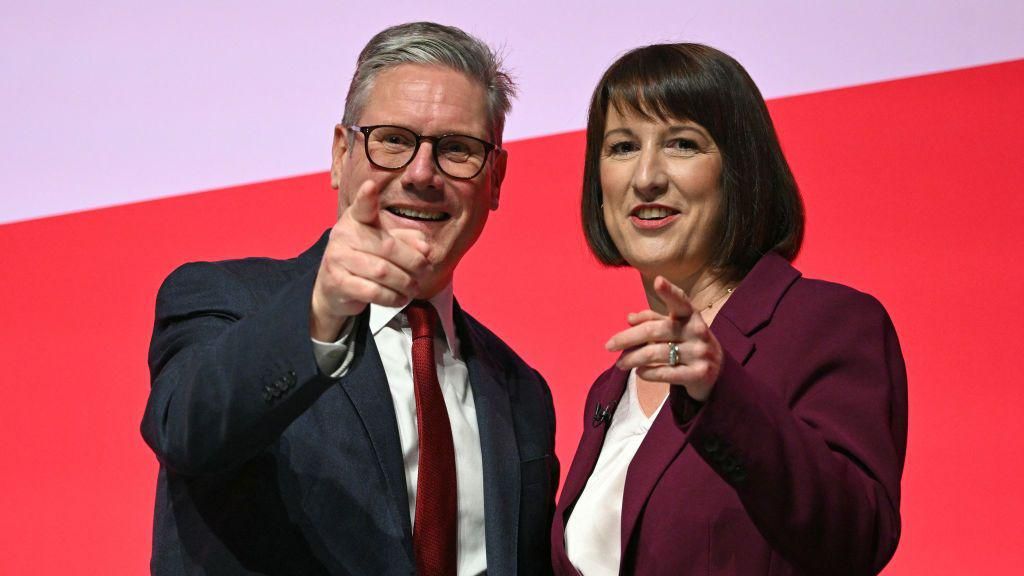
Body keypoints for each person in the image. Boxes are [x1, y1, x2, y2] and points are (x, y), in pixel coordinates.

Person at [141, 22, 557, 576]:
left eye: (457, 149)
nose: (421, 174)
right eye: (393, 139)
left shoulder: (520, 391)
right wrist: (322, 314)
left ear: (496, 178)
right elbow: (187, 432)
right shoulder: (227, 300)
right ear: (341, 154)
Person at [551, 44, 907, 575]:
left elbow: (856, 536)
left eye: (682, 144)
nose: (646, 176)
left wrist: (720, 391)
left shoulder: (828, 326)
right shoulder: (611, 388)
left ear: (739, 171)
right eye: (623, 146)